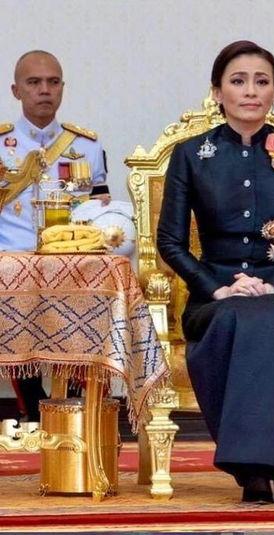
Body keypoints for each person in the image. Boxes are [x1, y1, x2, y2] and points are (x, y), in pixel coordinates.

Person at [157, 40, 274, 504]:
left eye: (262, 81)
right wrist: (216, 289)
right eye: (238, 81)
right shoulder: (191, 154)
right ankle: (263, 469)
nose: (251, 91)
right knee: (245, 318)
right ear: (217, 92)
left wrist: (273, 283)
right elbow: (169, 242)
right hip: (214, 298)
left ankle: (269, 468)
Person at [0, 50, 110, 421]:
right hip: (11, 264)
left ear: (62, 87)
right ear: (16, 90)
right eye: (34, 82)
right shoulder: (1, 144)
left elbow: (99, 210)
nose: (44, 90)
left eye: (53, 82)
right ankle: (33, 409)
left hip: (71, 263)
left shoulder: (87, 146)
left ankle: (76, 407)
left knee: (97, 288)